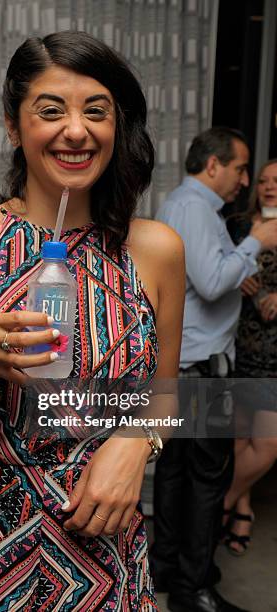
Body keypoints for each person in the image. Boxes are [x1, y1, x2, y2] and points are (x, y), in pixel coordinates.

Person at [0, 31, 185, 611]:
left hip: (106, 552)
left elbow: (166, 395)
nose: (76, 130)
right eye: (50, 110)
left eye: (97, 111)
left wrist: (137, 442)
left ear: (118, 128)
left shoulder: (155, 251)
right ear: (14, 127)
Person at [151, 128, 277, 612]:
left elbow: (210, 273)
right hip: (201, 367)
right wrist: (256, 244)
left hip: (190, 365)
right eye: (241, 168)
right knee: (206, 481)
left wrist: (234, 267)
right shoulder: (195, 209)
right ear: (213, 167)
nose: (245, 180)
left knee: (178, 474)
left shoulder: (190, 208)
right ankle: (194, 588)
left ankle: (169, 567)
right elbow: (209, 282)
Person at [223, 159, 277, 555]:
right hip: (239, 344)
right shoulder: (240, 225)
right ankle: (241, 506)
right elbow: (215, 273)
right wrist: (235, 276)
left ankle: (219, 504)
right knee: (237, 437)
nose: (269, 187)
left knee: (268, 444)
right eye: (263, 180)